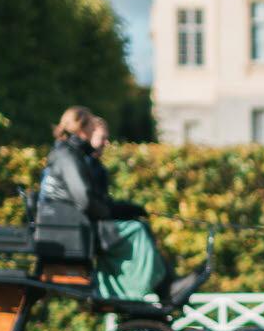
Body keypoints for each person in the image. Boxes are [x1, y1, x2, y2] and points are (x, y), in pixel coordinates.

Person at [39, 105, 169, 303]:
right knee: (136, 230)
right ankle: (142, 290)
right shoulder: (68, 155)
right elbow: (85, 198)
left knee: (136, 226)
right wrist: (111, 212)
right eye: (91, 127)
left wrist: (121, 209)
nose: (94, 133)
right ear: (81, 129)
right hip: (75, 227)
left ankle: (155, 286)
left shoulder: (71, 153)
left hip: (76, 223)